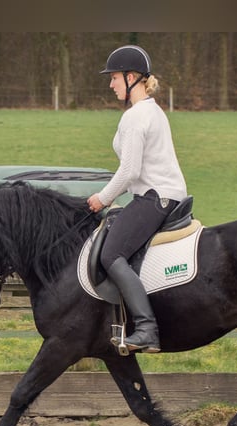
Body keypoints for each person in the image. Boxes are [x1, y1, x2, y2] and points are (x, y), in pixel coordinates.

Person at [87, 45, 188, 353]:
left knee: (110, 255)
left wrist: (102, 199)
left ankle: (146, 328)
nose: (111, 84)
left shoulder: (136, 117)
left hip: (154, 197)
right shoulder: (152, 111)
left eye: (114, 77)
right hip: (159, 195)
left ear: (131, 78)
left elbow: (130, 171)